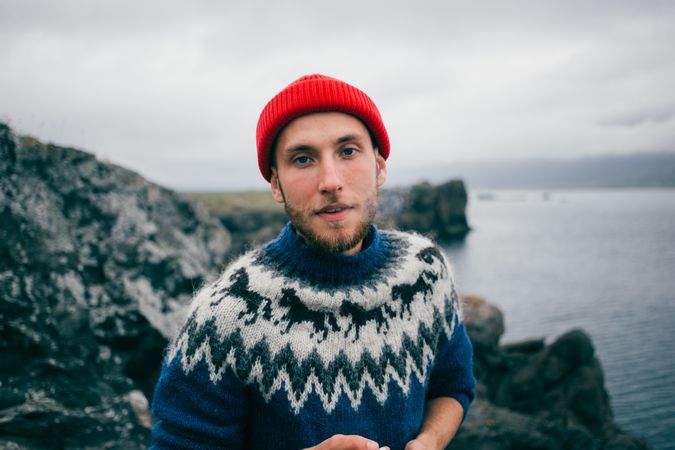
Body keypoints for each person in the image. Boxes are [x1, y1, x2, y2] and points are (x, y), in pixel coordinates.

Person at [151, 74, 476, 450]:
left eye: (348, 151)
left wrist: (430, 441)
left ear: (380, 166)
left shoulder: (426, 272)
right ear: (276, 184)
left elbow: (453, 385)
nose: (330, 180)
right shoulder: (227, 315)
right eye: (303, 159)